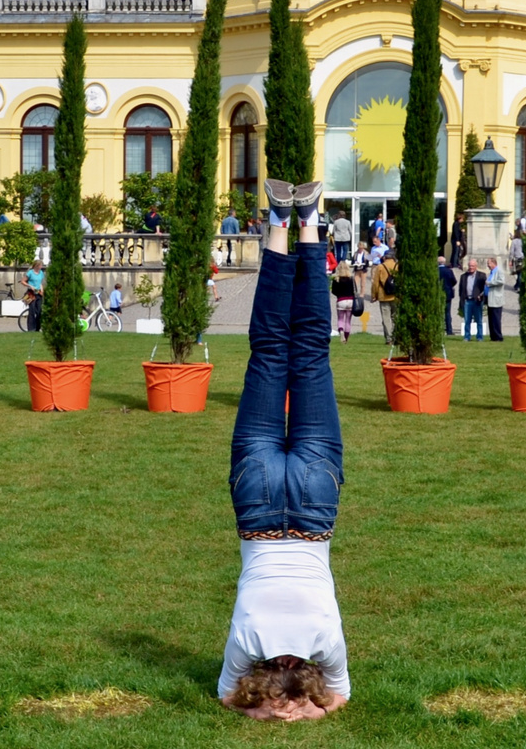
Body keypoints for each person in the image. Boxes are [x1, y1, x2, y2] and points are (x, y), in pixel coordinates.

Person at [219, 177, 350, 722]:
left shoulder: (325, 644)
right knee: (270, 352)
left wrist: (313, 711)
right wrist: (262, 712)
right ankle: (279, 219)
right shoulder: (246, 643)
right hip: (257, 503)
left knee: (312, 355)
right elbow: (227, 695)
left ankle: (310, 216)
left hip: (316, 506)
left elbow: (340, 696)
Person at [459, 258, 486, 342]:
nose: (471, 267)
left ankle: (479, 337)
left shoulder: (482, 275)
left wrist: (481, 297)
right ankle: (467, 336)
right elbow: (460, 289)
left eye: (473, 266)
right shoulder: (463, 276)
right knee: (467, 320)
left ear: (476, 266)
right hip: (467, 301)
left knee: (479, 320)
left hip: (477, 301)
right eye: (470, 265)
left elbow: (484, 288)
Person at [332, 264, 357, 341]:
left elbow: (333, 291)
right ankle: (346, 337)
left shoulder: (336, 279)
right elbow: (354, 290)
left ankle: (341, 331)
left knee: (340, 319)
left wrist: (339, 295)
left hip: (341, 300)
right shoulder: (351, 279)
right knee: (348, 320)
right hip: (350, 300)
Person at [485, 257, 506, 341]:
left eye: (489, 263)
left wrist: (490, 283)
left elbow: (501, 281)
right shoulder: (491, 273)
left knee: (496, 319)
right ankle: (493, 336)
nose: (488, 265)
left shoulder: (499, 271)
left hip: (496, 299)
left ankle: (498, 336)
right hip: (490, 299)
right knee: (491, 319)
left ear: (494, 263)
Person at [26, 259, 47, 332]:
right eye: (40, 265)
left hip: (38, 292)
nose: (41, 267)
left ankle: (38, 327)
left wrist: (42, 290)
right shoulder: (30, 273)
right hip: (31, 293)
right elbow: (23, 281)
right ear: (36, 266)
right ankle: (31, 328)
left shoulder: (41, 273)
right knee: (32, 310)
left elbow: (40, 283)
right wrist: (30, 286)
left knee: (39, 310)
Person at [438, 257, 457, 336]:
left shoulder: (436, 270)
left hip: (438, 293)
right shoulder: (449, 271)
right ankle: (449, 330)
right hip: (448, 294)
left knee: (439, 312)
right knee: (447, 313)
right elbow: (454, 281)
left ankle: (439, 329)